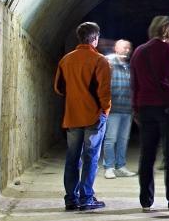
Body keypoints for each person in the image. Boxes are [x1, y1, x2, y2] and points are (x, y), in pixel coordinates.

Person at [130, 16, 169, 211]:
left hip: (145, 108)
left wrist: (136, 108)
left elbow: (135, 83)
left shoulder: (139, 51)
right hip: (166, 108)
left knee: (147, 155)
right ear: (168, 30)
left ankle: (146, 201)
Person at [54, 22, 111, 211]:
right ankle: (86, 197)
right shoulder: (100, 60)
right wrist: (105, 110)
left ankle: (71, 198)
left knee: (72, 157)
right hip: (93, 115)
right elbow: (104, 91)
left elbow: (59, 88)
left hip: (72, 115)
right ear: (95, 38)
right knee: (91, 156)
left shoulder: (65, 60)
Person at [102, 39, 136, 179]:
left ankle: (120, 165)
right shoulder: (108, 62)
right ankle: (109, 167)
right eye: (124, 47)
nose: (127, 50)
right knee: (110, 138)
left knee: (123, 139)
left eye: (129, 48)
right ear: (116, 48)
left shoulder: (130, 66)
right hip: (113, 108)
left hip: (127, 109)